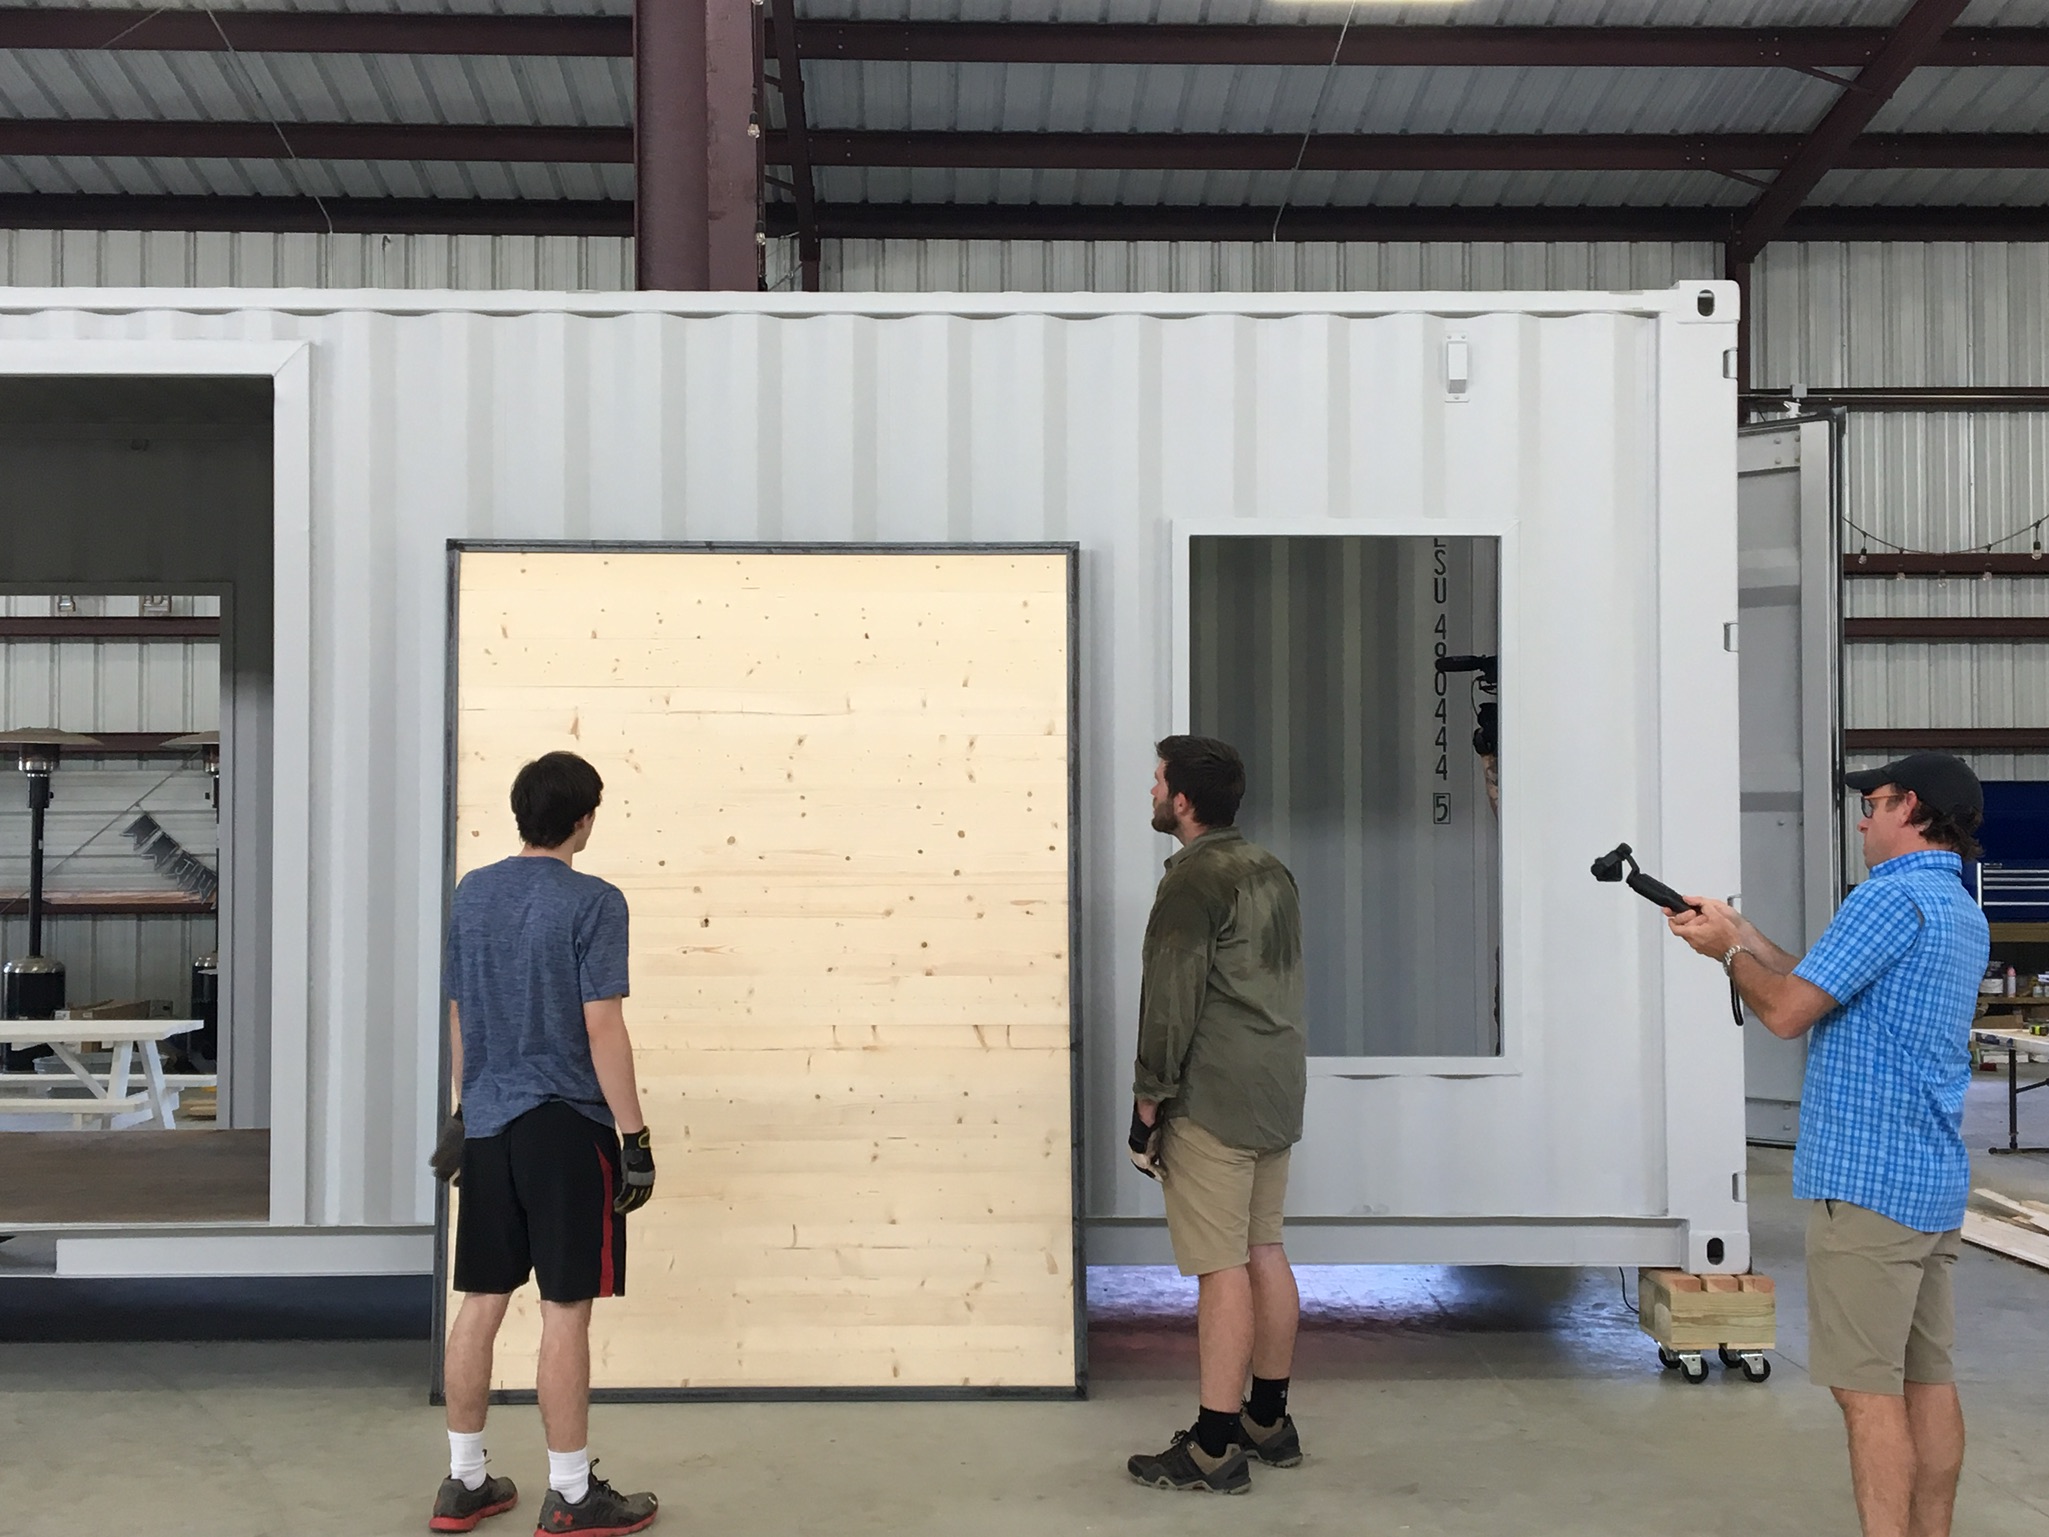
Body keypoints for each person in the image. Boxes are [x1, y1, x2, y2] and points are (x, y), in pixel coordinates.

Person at [1665, 752, 1988, 1537]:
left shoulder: (1884, 898)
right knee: (1926, 1379)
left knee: (1864, 1391)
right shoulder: (1953, 904)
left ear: (1910, 806)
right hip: (1928, 1180)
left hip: (1868, 1184)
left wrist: (1724, 954)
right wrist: (1740, 931)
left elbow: (1783, 1011)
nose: (1861, 819)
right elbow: (1816, 979)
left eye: (1872, 803)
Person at [428, 751, 661, 1535]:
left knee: (481, 1301)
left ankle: (464, 1482)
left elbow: (461, 1011)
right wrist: (634, 1135)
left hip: (488, 1123)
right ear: (584, 819)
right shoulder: (595, 901)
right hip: (566, 1128)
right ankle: (570, 1494)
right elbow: (603, 1025)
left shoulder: (474, 893)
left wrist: (466, 1111)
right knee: (565, 1309)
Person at [1125, 735, 1308, 1496]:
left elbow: (1170, 1005)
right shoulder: (1271, 869)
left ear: (1184, 802)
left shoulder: (1192, 884)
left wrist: (1147, 1105)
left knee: (1219, 1266)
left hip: (1214, 1097)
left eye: (1157, 781)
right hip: (1274, 1087)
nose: (1151, 792)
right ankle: (1268, 1419)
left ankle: (1211, 1444)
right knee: (1263, 1247)